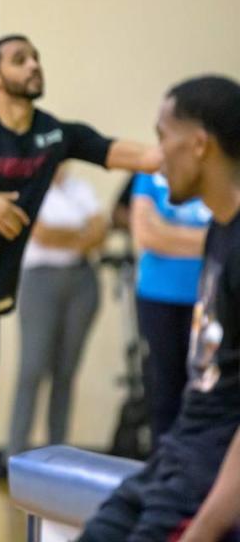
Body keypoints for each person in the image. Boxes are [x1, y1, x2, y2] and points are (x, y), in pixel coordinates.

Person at [0, 34, 162, 542]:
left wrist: (182, 145)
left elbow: (124, 153)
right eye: (20, 59)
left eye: (36, 55)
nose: (34, 64)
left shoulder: (51, 135)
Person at [80, 76, 240, 542]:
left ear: (199, 144)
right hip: (174, 462)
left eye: (162, 137)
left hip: (204, 481)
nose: (155, 156)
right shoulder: (220, 232)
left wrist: (205, 527)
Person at [7, 163, 107, 457]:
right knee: (33, 368)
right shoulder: (29, 187)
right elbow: (42, 234)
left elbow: (101, 230)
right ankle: (15, 452)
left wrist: (74, 237)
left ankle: (57, 451)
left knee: (65, 372)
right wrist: (81, 235)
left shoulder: (81, 188)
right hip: (40, 281)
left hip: (81, 281)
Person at [130, 170, 211, 446]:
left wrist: (168, 233)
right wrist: (207, 239)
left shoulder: (218, 170)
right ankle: (161, 468)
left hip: (207, 298)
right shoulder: (150, 175)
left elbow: (230, 237)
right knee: (163, 388)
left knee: (204, 390)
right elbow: (146, 235)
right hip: (158, 296)